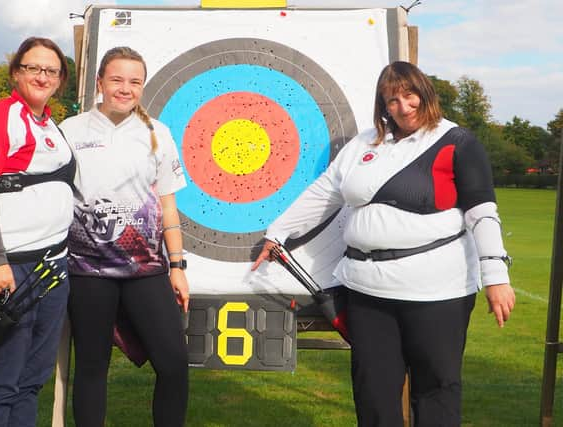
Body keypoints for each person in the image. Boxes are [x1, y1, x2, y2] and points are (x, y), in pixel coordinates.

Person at [253, 61, 515, 426]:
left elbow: (482, 213)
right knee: (373, 391)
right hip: (366, 291)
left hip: (436, 292)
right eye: (392, 100)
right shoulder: (364, 142)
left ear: (425, 94)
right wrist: (277, 232)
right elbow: (325, 193)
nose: (403, 107)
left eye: (410, 96)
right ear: (382, 105)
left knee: (436, 387)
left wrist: (496, 277)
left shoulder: (458, 142)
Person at [59, 46, 190, 427]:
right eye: (116, 79)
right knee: (91, 368)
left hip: (145, 268)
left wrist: (178, 266)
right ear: (99, 82)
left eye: (134, 81)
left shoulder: (158, 134)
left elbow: (167, 206)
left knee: (174, 365)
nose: (125, 88)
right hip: (87, 271)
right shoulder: (70, 130)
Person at [0, 37, 74, 426]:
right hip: (11, 271)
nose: (42, 76)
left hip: (52, 269)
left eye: (51, 70)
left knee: (31, 381)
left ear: (60, 79)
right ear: (16, 73)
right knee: (0, 382)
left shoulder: (50, 124)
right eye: (33, 68)